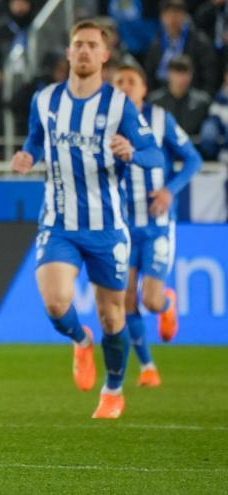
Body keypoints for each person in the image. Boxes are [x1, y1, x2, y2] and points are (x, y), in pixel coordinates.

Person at [11, 20, 164, 420]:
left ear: (104, 55)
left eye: (92, 45)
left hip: (107, 227)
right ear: (68, 52)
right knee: (55, 302)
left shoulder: (119, 105)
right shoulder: (45, 99)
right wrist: (28, 155)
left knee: (113, 315)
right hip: (58, 222)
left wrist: (132, 152)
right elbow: (35, 140)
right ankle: (80, 340)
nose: (83, 50)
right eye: (78, 43)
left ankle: (113, 390)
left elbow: (155, 155)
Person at [112, 64, 201, 386]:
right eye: (119, 81)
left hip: (157, 224)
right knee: (126, 299)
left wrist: (169, 190)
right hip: (122, 225)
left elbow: (193, 159)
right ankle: (148, 367)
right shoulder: (105, 122)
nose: (124, 86)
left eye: (131, 81)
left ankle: (166, 303)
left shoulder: (161, 119)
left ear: (144, 89)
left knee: (150, 300)